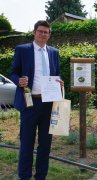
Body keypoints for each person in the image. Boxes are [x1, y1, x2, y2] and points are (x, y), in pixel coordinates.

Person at [10, 20, 64, 180]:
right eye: (40, 31)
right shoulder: (22, 50)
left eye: (46, 32)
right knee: (27, 143)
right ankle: (24, 177)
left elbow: (57, 74)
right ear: (34, 32)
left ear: (49, 35)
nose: (43, 34)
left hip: (49, 104)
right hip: (29, 103)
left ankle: (41, 176)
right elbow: (13, 72)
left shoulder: (54, 52)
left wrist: (60, 82)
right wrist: (18, 80)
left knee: (45, 145)